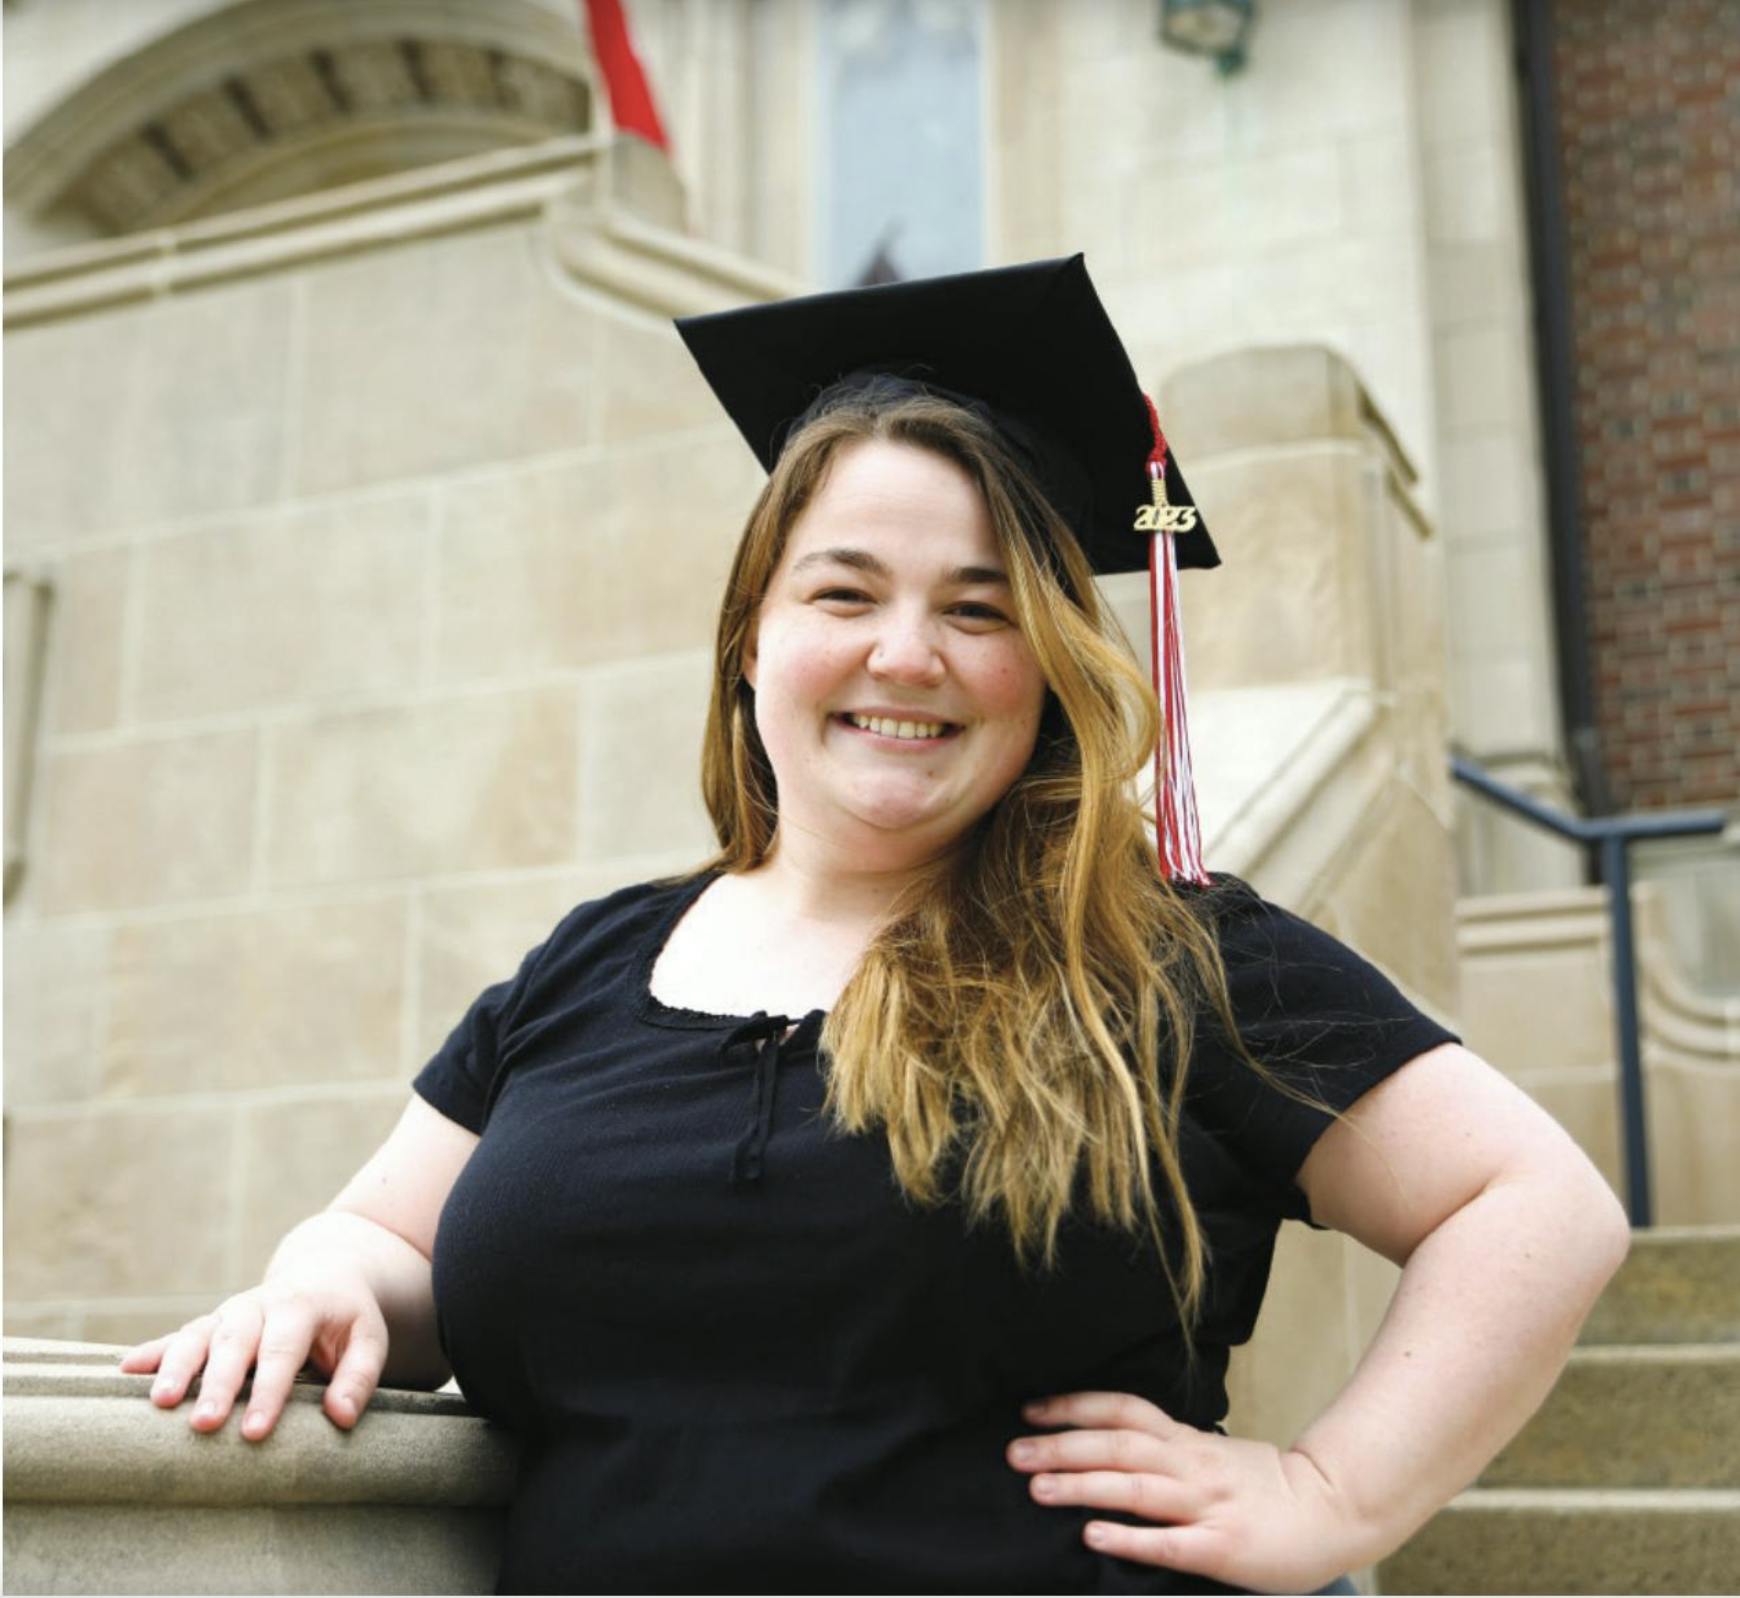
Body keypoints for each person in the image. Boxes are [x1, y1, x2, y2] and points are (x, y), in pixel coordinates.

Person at [121, 256, 1631, 1596]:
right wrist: (318, 1272)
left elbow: (1533, 1204)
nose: (906, 653)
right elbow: (397, 1237)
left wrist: (1329, 1494)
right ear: (752, 643)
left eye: (978, 610)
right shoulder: (593, 962)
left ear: (1045, 663)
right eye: (844, 590)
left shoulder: (1167, 954)